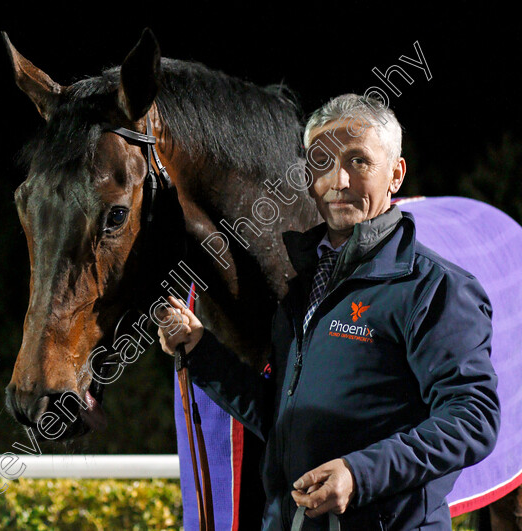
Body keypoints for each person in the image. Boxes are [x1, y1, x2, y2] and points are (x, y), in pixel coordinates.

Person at [158, 94, 500, 530]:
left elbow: (473, 419)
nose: (339, 180)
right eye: (322, 162)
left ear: (395, 175)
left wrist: (359, 474)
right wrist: (200, 348)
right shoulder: (302, 286)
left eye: (359, 162)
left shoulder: (435, 287)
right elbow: (280, 417)